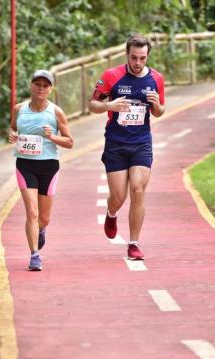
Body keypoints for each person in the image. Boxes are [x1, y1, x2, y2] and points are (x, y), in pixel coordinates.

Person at [89, 34, 165, 260]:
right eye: (134, 58)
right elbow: (92, 104)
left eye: (142, 58)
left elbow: (160, 112)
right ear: (127, 55)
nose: (138, 63)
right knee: (119, 196)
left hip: (141, 142)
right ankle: (112, 213)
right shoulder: (111, 76)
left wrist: (156, 104)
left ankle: (134, 243)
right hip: (116, 143)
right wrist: (109, 105)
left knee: (138, 190)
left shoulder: (156, 79)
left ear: (148, 56)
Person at [9, 69, 73, 271]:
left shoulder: (56, 112)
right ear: (31, 85)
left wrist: (52, 137)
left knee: (44, 218)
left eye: (45, 85)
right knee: (32, 212)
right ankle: (34, 255)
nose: (41, 88)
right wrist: (12, 135)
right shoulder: (19, 109)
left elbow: (69, 142)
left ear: (50, 89)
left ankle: (42, 230)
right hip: (25, 164)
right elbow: (13, 128)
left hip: (48, 166)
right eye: (38, 84)